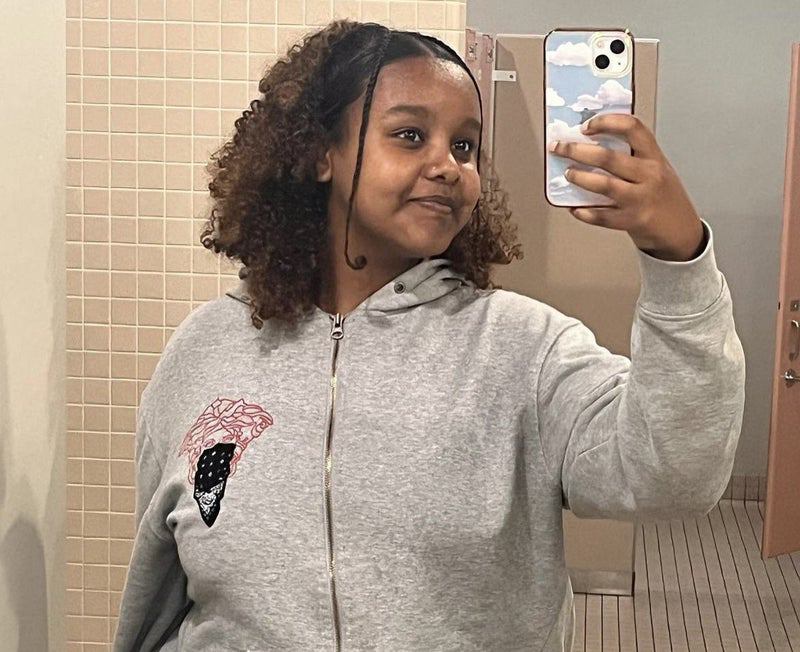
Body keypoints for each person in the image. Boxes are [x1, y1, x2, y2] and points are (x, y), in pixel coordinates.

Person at [112, 19, 746, 651]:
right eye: (410, 135)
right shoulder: (207, 348)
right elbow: (158, 585)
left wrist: (679, 258)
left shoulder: (524, 351)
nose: (448, 166)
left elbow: (673, 475)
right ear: (320, 153)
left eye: (464, 146)